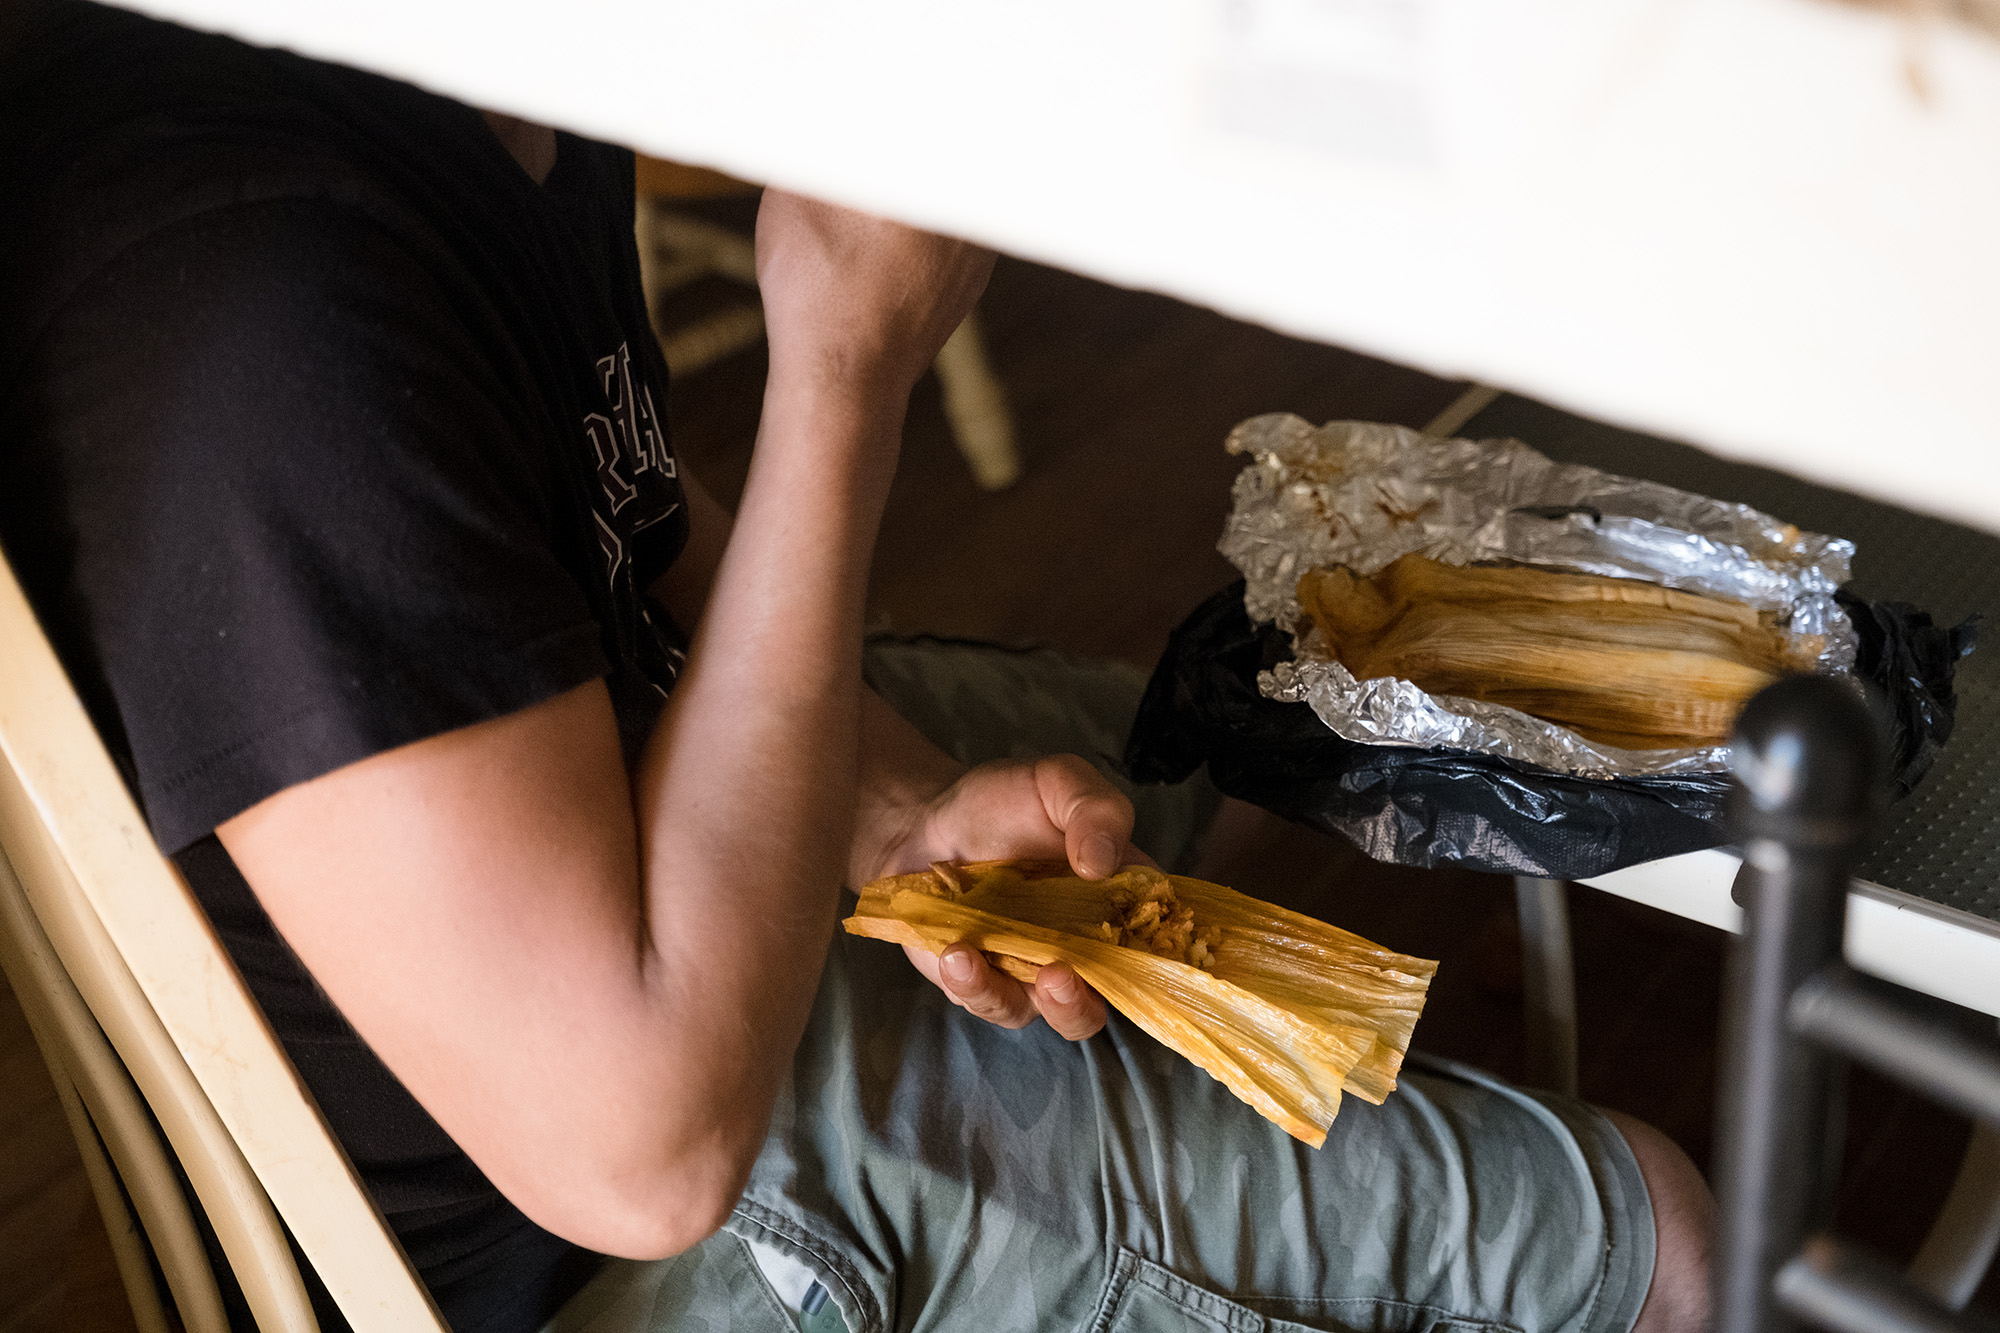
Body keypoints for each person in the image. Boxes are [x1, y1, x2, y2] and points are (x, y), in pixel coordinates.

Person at [0, 3, 1715, 1331]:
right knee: (1661, 1235)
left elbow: (605, 499)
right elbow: (645, 1154)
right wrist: (845, 365)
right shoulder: (269, 309)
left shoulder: (480, 69)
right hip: (562, 1234)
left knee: (1205, 744)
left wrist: (889, 801)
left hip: (600, 856)